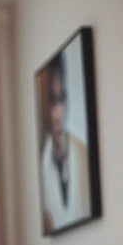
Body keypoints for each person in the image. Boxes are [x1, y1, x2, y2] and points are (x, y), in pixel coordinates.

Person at [40, 53, 91, 233]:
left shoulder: (84, 154)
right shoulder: (42, 169)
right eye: (53, 102)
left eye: (62, 99)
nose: (58, 113)